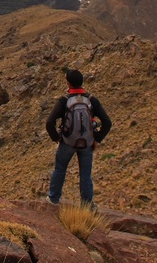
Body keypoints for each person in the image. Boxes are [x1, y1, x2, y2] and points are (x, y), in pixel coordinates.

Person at [45, 68, 111, 208]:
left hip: (67, 143)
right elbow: (107, 122)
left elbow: (49, 122)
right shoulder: (91, 99)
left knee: (60, 169)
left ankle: (53, 198)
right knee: (85, 175)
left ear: (68, 83)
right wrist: (96, 139)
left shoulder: (65, 100)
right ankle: (87, 204)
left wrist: (57, 138)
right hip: (87, 143)